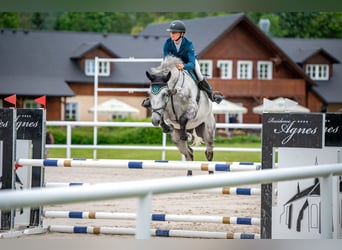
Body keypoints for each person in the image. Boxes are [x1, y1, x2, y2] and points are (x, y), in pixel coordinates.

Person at [142, 20, 224, 108]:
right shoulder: (167, 43)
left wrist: (183, 66)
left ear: (182, 34)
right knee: (160, 76)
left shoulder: (189, 44)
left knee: (199, 74)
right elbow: (166, 60)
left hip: (188, 62)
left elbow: (192, 64)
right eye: (171, 32)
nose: (172, 34)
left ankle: (211, 94)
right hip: (173, 65)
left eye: (174, 32)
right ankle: (152, 99)